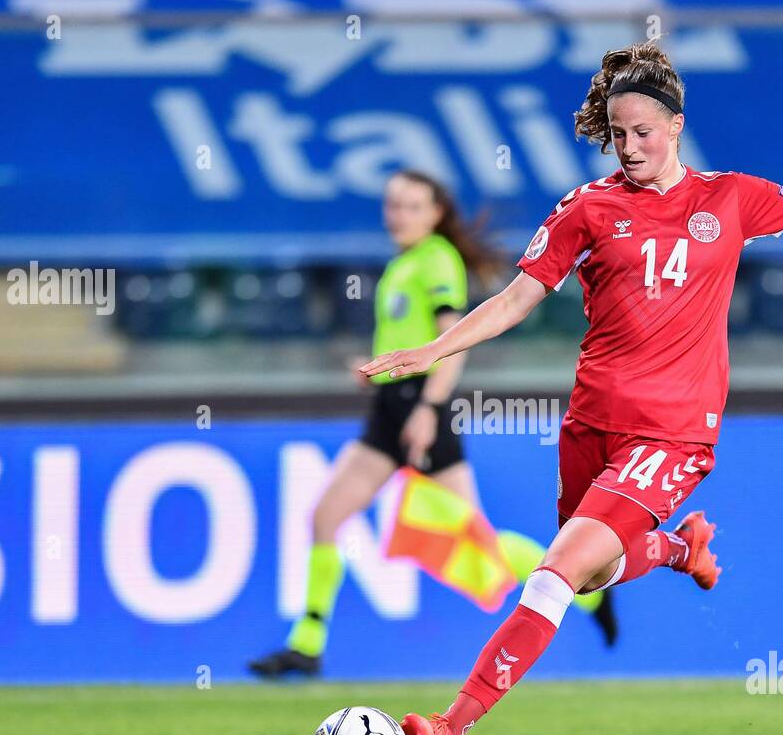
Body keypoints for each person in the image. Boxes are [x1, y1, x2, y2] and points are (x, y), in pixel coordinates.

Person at [361, 42, 783, 735]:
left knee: (555, 572)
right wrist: (433, 349)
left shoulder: (729, 198)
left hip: (673, 433)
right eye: (618, 134)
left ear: (675, 126)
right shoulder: (587, 208)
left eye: (643, 132)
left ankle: (448, 727)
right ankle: (677, 547)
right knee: (594, 576)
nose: (630, 148)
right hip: (591, 424)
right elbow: (516, 298)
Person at [249, 170, 617, 678]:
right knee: (326, 516)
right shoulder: (405, 263)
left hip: (423, 408)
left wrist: (427, 408)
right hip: (389, 410)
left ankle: (586, 589)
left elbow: (453, 344)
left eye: (411, 206)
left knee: (478, 544)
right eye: (393, 205)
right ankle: (307, 644)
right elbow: (409, 336)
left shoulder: (437, 260)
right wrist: (375, 366)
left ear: (437, 212)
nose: (398, 215)